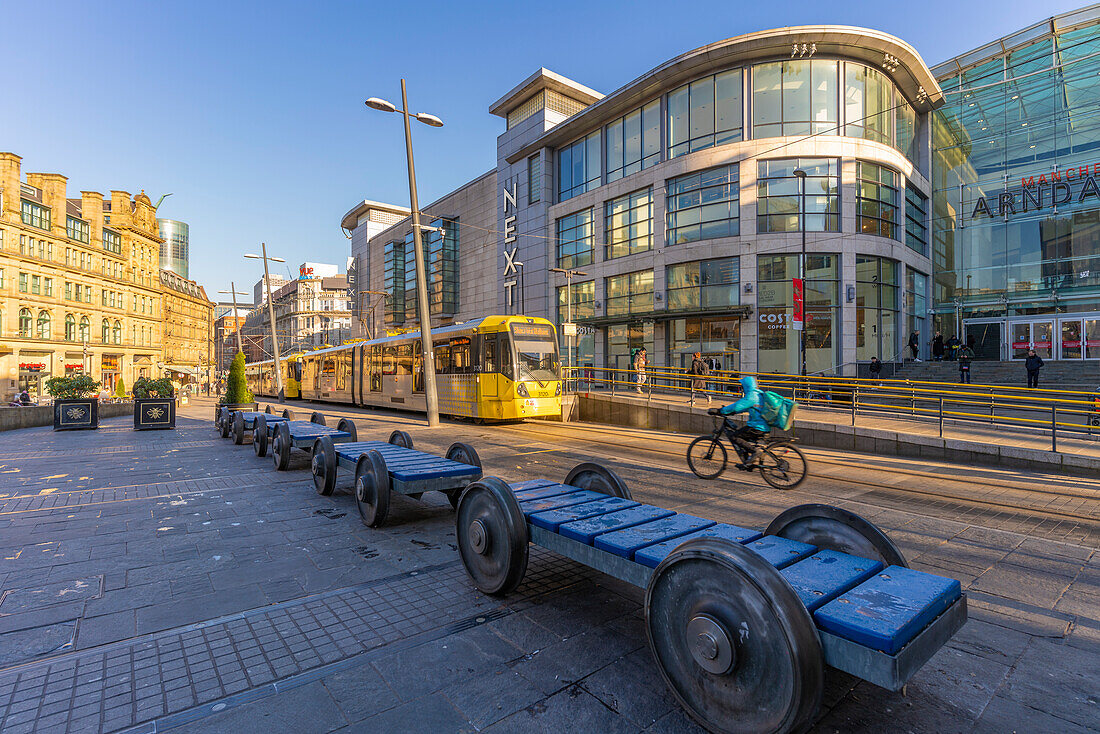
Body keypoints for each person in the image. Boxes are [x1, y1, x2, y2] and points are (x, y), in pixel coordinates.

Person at [717, 375, 769, 469]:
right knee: (741, 436)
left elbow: (737, 406)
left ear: (747, 386)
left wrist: (721, 411)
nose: (742, 389)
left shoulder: (751, 396)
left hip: (756, 427)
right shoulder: (759, 394)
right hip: (763, 427)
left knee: (734, 436)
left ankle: (754, 452)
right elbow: (742, 408)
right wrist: (732, 412)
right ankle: (747, 462)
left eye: (742, 386)